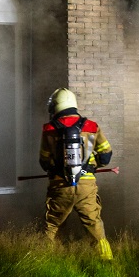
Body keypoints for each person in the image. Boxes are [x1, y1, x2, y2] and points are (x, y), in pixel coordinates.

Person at [39, 87, 114, 258]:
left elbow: (44, 162)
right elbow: (106, 155)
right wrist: (93, 165)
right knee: (94, 225)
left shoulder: (49, 130)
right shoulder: (92, 127)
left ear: (55, 107)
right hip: (86, 186)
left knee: (51, 226)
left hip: (60, 186)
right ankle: (107, 262)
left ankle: (44, 262)